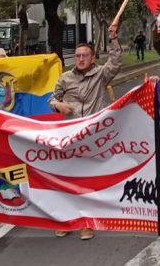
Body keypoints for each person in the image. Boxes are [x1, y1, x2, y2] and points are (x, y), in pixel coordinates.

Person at [49, 24, 123, 240]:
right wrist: (58, 105)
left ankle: (87, 223)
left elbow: (116, 63)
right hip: (69, 137)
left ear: (92, 58)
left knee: (88, 181)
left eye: (85, 55)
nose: (81, 59)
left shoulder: (101, 75)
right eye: (78, 55)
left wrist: (113, 38)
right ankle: (66, 220)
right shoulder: (65, 78)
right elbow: (52, 98)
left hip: (93, 138)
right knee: (68, 180)